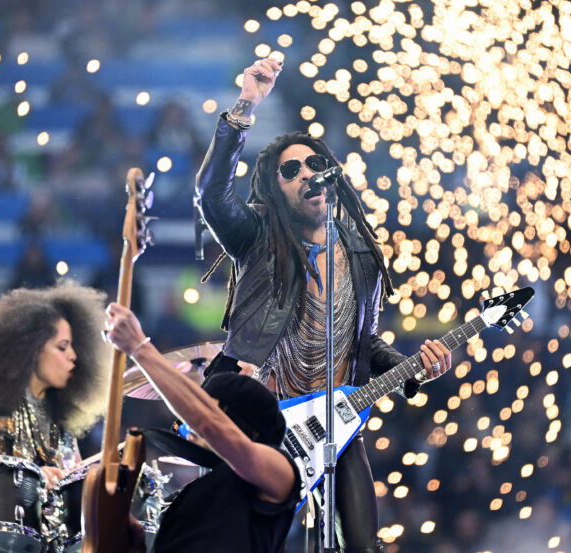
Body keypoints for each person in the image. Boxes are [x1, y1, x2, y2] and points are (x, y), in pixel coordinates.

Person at [194, 57, 454, 553]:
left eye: (316, 164)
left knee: (362, 545)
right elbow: (211, 196)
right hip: (259, 419)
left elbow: (365, 342)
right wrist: (246, 104)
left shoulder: (362, 255)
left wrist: (411, 367)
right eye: (291, 170)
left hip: (332, 422)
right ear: (275, 188)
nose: (308, 174)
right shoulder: (257, 235)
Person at [104, 302, 301, 553]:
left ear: (249, 427)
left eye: (212, 408)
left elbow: (210, 424)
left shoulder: (280, 471)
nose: (196, 421)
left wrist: (139, 347)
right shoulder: (194, 493)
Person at [0, 281, 110, 486]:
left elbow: (73, 479)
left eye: (72, 346)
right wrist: (28, 479)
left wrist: (90, 478)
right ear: (32, 350)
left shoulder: (60, 412)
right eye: (62, 347)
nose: (73, 356)